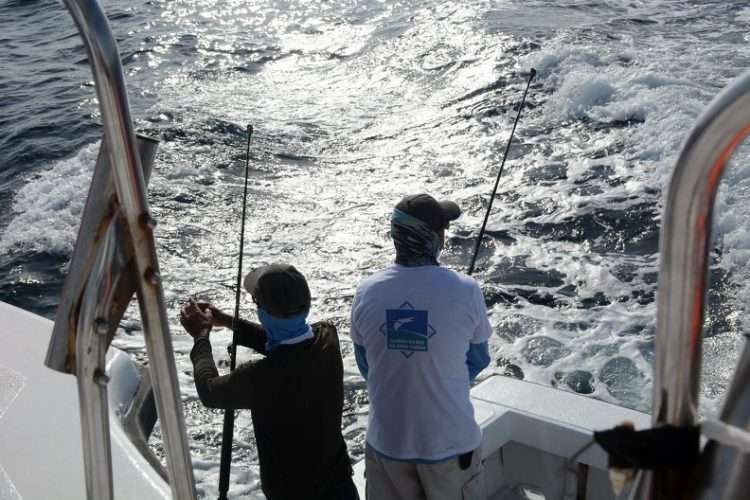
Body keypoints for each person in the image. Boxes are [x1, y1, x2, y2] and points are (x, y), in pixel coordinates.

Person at [350, 193, 492, 500]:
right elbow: (478, 359)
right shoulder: (466, 290)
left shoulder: (366, 292)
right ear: (434, 237)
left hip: (386, 444)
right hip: (450, 446)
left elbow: (367, 366)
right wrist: (441, 376)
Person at [180, 263, 359, 500]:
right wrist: (226, 320)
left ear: (263, 313)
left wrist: (201, 337)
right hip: (341, 488)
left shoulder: (260, 376)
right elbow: (287, 343)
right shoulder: (328, 338)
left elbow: (210, 390)